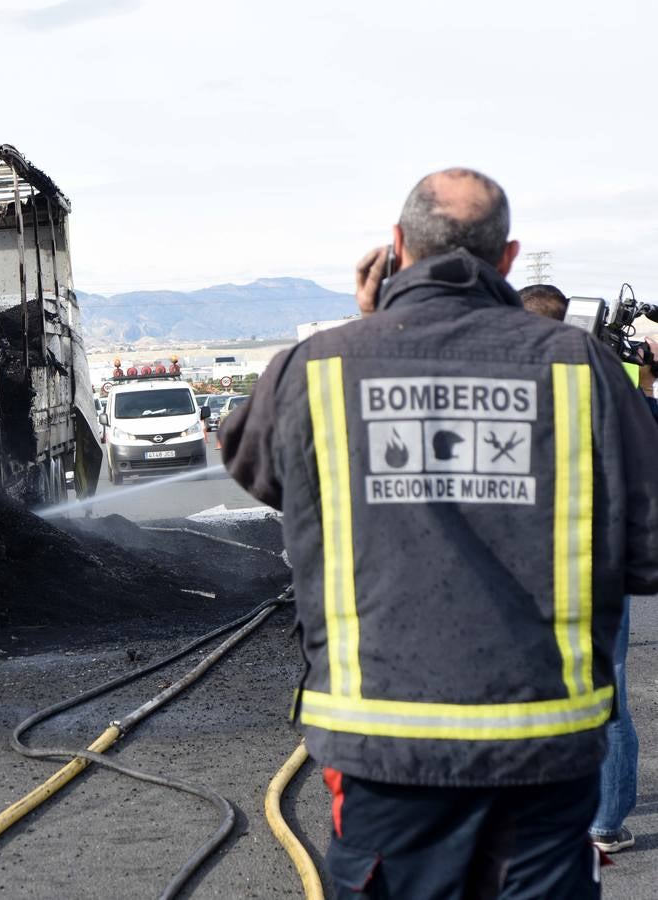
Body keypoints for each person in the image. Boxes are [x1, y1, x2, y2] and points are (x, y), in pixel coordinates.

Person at [221, 167, 658, 898]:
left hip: (384, 748)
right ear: (508, 260)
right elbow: (648, 552)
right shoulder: (578, 368)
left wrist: (371, 325)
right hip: (543, 746)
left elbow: (261, 470)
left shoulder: (321, 365)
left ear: (395, 247)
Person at [522, 286, 646, 854]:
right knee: (607, 692)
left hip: (524, 568)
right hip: (599, 565)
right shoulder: (606, 386)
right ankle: (602, 823)